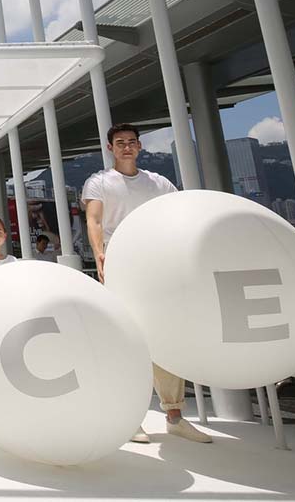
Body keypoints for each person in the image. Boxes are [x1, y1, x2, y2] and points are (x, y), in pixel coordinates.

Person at [83, 123, 212, 445]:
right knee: (127, 339)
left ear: (139, 146)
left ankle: (175, 416)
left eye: (131, 142)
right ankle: (131, 419)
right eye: (120, 143)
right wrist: (100, 255)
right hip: (120, 265)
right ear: (110, 148)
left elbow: (177, 216)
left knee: (165, 338)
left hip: (157, 267)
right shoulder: (99, 182)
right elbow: (94, 220)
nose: (126, 147)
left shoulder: (159, 183)